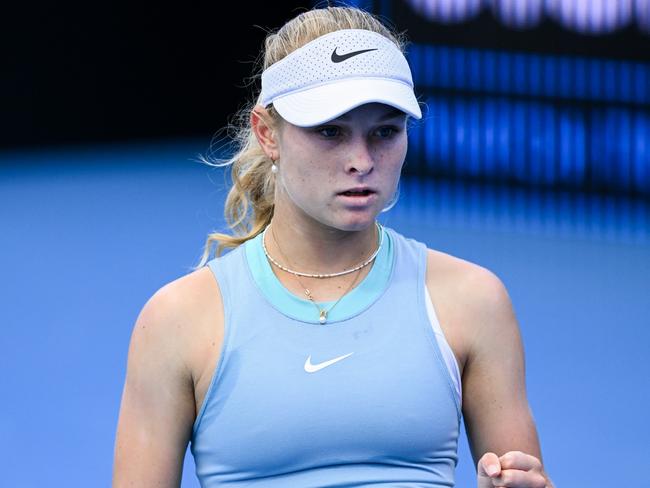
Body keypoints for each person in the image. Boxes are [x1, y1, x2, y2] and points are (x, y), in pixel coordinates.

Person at [112, 5, 554, 488]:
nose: (361, 161)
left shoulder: (475, 301)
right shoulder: (176, 321)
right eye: (330, 131)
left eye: (385, 131)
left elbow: (524, 479)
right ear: (267, 134)